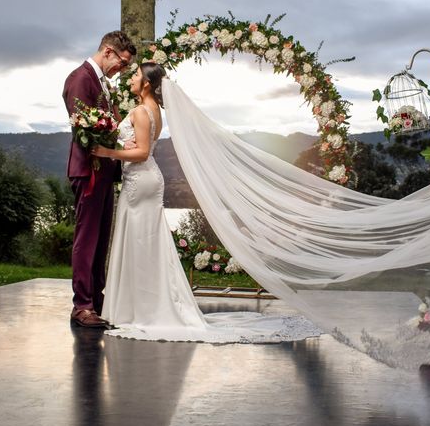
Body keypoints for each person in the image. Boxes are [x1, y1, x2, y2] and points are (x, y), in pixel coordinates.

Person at [91, 63, 321, 343]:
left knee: (139, 242)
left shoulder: (141, 111)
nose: (132, 78)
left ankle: (137, 310)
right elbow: (141, 145)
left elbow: (140, 152)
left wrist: (106, 151)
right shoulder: (155, 112)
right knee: (147, 243)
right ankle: (144, 306)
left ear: (148, 84)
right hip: (147, 179)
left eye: (137, 74)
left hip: (140, 180)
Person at [62, 31, 136, 328]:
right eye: (122, 62)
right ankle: (82, 306)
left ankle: (96, 296)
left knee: (101, 238)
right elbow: (84, 129)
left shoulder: (104, 83)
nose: (122, 69)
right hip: (88, 169)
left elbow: (110, 125)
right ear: (108, 51)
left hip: (104, 170)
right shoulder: (80, 78)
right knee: (87, 238)